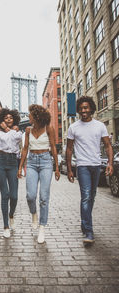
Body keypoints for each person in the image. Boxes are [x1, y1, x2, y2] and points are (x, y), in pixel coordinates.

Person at [66, 96, 113, 244]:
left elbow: (107, 145)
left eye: (86, 108)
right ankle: (88, 231)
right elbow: (68, 149)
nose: (83, 110)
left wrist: (110, 163)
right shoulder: (73, 127)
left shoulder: (100, 126)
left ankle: (84, 222)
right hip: (82, 166)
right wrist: (69, 169)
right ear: (78, 110)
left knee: (92, 197)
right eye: (81, 108)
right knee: (86, 196)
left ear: (91, 108)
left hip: (96, 165)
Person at [18, 104, 60, 244]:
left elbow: (53, 147)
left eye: (29, 115)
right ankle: (34, 214)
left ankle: (42, 227)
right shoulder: (28, 130)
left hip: (46, 162)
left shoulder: (49, 129)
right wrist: (20, 167)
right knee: (30, 196)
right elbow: (25, 149)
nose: (27, 117)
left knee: (43, 197)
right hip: (31, 162)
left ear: (35, 116)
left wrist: (57, 167)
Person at [0, 108, 22, 238]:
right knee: (5, 195)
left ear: (14, 119)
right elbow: (4, 139)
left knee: (14, 196)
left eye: (11, 117)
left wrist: (8, 130)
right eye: (6, 118)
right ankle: (5, 226)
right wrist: (7, 130)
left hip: (12, 162)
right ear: (1, 121)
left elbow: (16, 137)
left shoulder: (18, 133)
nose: (9, 119)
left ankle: (11, 215)